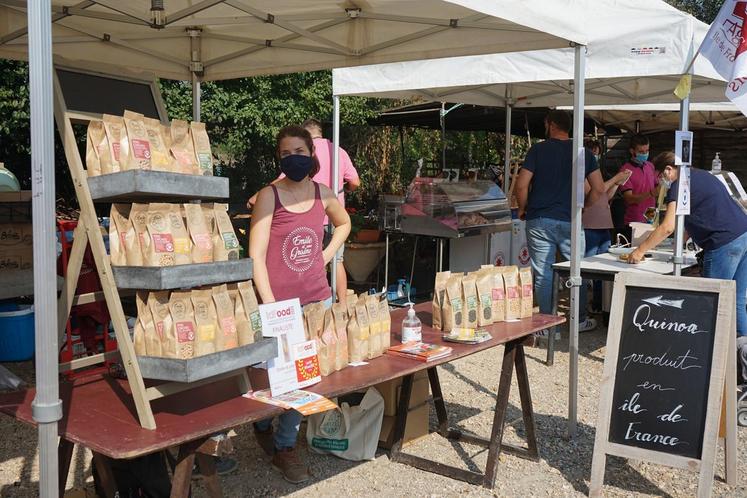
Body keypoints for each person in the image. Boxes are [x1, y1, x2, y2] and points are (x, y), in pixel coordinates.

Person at [248, 125, 351, 483]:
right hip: (280, 303)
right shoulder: (269, 196)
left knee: (304, 375)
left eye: (299, 151)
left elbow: (344, 223)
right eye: (285, 153)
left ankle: (285, 446)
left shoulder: (323, 193)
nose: (293, 158)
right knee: (269, 378)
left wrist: (324, 255)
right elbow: (256, 257)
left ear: (312, 154)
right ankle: (261, 422)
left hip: (316, 299)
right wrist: (271, 303)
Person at [628, 152, 747, 340]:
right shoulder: (703, 176)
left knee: (712, 300)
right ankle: (742, 352)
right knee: (737, 299)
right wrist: (678, 243)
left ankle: (708, 349)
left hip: (723, 242)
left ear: (668, 169)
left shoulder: (678, 185)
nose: (660, 183)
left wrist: (640, 250)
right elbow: (698, 214)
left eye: (659, 177)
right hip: (743, 233)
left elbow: (667, 226)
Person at [515, 110, 606, 335]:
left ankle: (547, 328)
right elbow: (600, 188)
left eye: (546, 123)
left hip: (539, 219)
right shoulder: (583, 153)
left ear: (551, 124)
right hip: (570, 220)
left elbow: (521, 185)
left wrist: (523, 207)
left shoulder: (537, 149)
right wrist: (583, 205)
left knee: (544, 273)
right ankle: (580, 320)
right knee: (577, 270)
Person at [302, 118, 360, 306]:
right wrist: (345, 189)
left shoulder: (304, 153)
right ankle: (341, 305)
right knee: (337, 261)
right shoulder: (338, 151)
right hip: (337, 219)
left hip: (312, 216)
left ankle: (313, 305)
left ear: (305, 134)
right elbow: (355, 182)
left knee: (308, 262)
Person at [582, 139, 632, 316]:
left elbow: (606, 196)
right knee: (588, 268)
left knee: (603, 269)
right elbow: (597, 190)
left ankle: (599, 303)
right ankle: (586, 307)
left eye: (597, 153)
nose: (596, 157)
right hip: (590, 225)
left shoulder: (595, 173)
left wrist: (618, 183)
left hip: (603, 225)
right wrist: (615, 179)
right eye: (593, 153)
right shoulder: (581, 173)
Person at [619, 134, 657, 242]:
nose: (645, 154)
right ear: (632, 151)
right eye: (641, 152)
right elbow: (629, 198)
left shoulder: (650, 166)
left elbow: (657, 186)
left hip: (651, 218)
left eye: (647, 151)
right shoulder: (625, 170)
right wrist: (651, 193)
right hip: (634, 222)